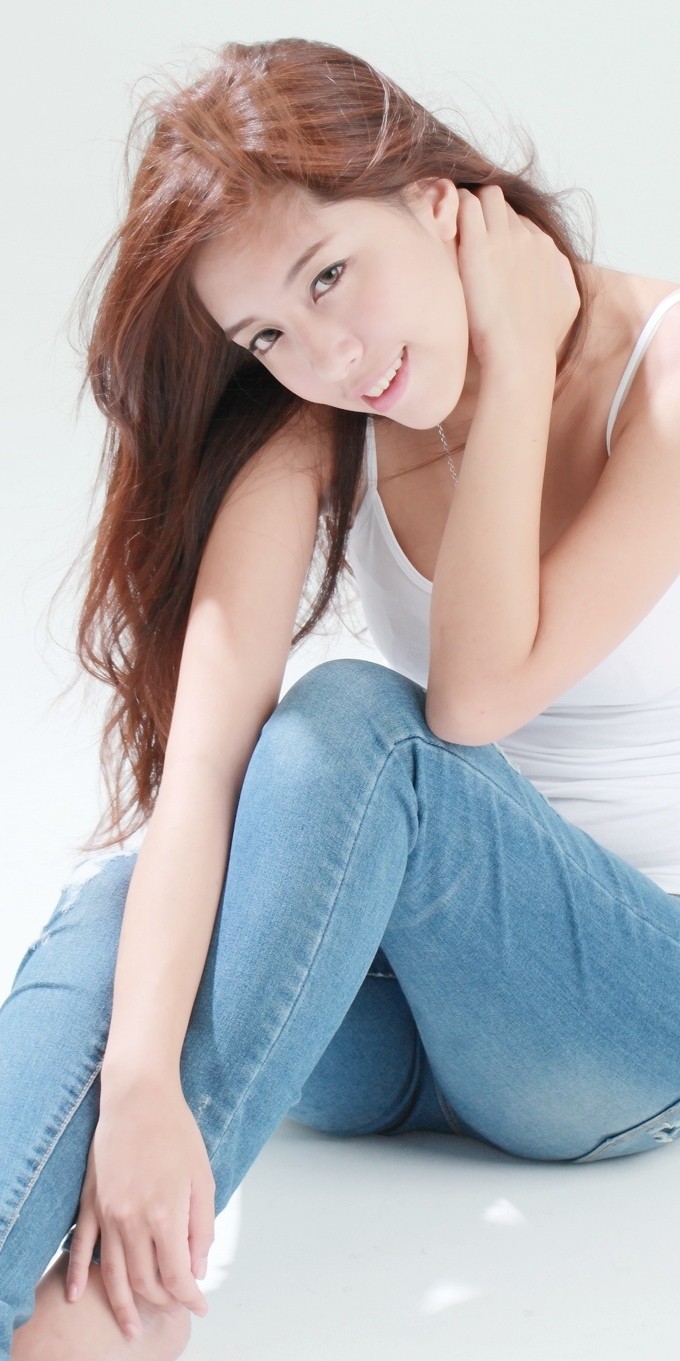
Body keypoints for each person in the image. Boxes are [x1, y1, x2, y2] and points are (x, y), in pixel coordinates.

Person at [2, 32, 680, 1360]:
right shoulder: (321, 421)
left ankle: (117, 1318)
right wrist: (136, 1088)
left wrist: (521, 357)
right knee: (130, 900)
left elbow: (472, 702)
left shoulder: (663, 375)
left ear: (434, 199)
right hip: (380, 1035)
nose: (327, 355)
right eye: (268, 333)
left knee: (358, 726)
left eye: (329, 275)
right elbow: (201, 772)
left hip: (616, 1026)